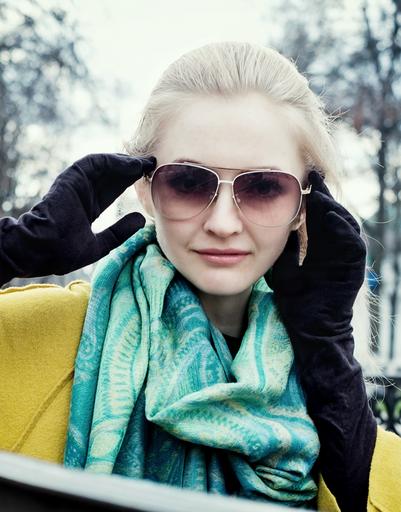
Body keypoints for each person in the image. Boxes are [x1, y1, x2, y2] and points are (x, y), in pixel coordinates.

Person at [1, 42, 400, 511]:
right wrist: (11, 250)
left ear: (303, 205)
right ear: (145, 189)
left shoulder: (337, 398)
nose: (223, 223)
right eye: (189, 182)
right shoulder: (29, 337)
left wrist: (327, 350)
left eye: (264, 186)